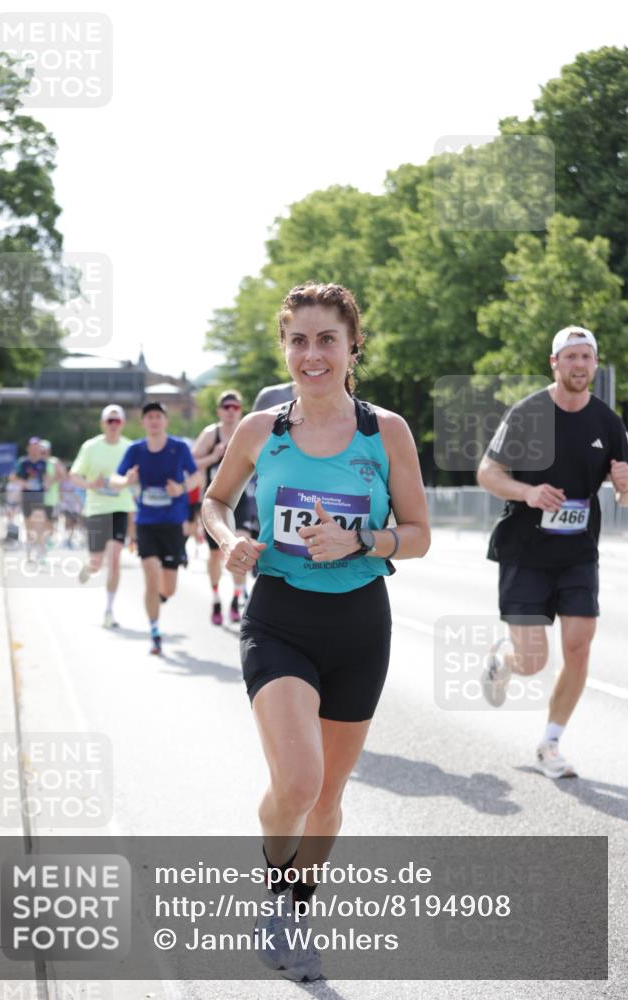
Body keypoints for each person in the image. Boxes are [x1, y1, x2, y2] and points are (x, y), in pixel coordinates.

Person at [202, 282, 430, 980]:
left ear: (352, 346)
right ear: (284, 348)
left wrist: (361, 540)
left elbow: (418, 534)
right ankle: (276, 890)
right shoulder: (258, 430)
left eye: (327, 339)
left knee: (328, 794)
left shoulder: (384, 432)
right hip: (280, 617)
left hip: (359, 623)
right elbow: (215, 501)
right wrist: (230, 540)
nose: (312, 354)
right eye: (298, 340)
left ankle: (295, 908)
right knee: (298, 782)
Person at [477, 325, 628, 779]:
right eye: (571, 356)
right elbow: (488, 472)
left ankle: (550, 743)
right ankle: (503, 662)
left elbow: (624, 495)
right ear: (554, 363)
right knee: (533, 661)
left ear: (594, 364)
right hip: (524, 552)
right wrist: (528, 492)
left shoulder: (608, 422)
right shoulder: (528, 413)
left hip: (578, 553)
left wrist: (624, 486)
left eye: (587, 357)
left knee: (579, 648)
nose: (579, 364)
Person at [112, 402, 201, 655]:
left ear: (165, 421)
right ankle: (154, 632)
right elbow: (114, 479)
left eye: (158, 416)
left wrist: (181, 488)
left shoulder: (179, 448)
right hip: (147, 523)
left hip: (172, 523)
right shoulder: (135, 450)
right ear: (143, 422)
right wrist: (126, 480)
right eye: (149, 417)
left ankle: (157, 600)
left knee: (168, 588)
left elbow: (196, 477)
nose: (154, 420)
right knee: (151, 578)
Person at [193, 390, 255, 625]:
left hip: (241, 500)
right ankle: (216, 598)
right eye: (226, 407)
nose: (231, 411)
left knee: (242, 546)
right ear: (219, 411)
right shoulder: (211, 433)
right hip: (216, 502)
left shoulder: (247, 431)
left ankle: (236, 599)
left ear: (240, 410)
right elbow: (192, 462)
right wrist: (214, 456)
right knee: (215, 554)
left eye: (235, 407)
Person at [70, 405, 135, 628]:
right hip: (96, 508)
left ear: (123, 424)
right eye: (110, 421)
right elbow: (74, 475)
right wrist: (91, 484)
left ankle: (109, 609)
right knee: (97, 563)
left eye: (117, 421)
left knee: (115, 559)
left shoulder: (130, 447)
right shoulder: (90, 447)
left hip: (120, 507)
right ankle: (89, 567)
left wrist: (131, 480)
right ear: (103, 424)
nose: (113, 425)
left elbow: (138, 476)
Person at [10, 437, 50, 563]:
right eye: (32, 448)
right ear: (28, 449)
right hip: (26, 497)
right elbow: (12, 477)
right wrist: (24, 483)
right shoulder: (23, 462)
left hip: (39, 497)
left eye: (37, 448)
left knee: (39, 523)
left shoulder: (43, 463)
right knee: (28, 525)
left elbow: (47, 477)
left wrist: (47, 484)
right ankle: (28, 553)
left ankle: (40, 549)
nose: (35, 451)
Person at [40, 439, 66, 546]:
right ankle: (42, 541)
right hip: (37, 497)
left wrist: (51, 480)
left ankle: (48, 540)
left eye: (45, 450)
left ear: (49, 450)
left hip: (51, 498)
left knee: (49, 520)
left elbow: (63, 476)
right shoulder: (35, 462)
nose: (43, 452)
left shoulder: (54, 462)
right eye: (41, 450)